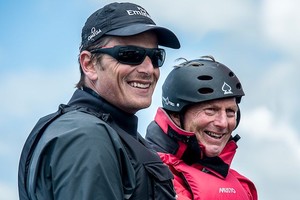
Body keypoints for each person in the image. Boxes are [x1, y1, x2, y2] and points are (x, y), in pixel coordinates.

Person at [18, 2, 180, 200]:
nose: (148, 69)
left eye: (156, 57)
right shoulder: (86, 136)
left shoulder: (111, 132)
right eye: (130, 55)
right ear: (89, 64)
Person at [146, 56, 258, 200]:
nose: (223, 123)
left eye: (230, 112)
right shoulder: (145, 173)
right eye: (210, 110)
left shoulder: (243, 186)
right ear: (175, 115)